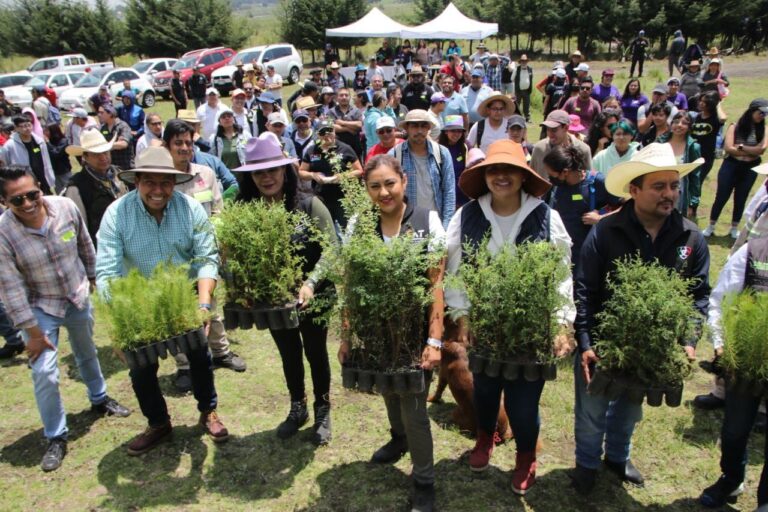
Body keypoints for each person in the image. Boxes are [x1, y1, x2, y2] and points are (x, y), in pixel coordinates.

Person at [572, 142, 710, 495]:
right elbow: (585, 288)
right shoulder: (606, 231)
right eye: (659, 186)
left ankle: (617, 457)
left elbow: (698, 297)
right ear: (634, 190)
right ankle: (586, 464)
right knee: (592, 409)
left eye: (674, 186)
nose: (669, 195)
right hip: (603, 341)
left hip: (651, 346)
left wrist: (689, 341)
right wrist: (586, 342)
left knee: (630, 408)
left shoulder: (690, 237)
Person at [444, 139, 573, 494]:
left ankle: (526, 456)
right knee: (484, 391)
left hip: (531, 324)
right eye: (493, 170)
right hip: (484, 323)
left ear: (523, 175)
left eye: (509, 170)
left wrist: (563, 323)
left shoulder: (546, 216)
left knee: (522, 400)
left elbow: (562, 274)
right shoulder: (466, 215)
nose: (501, 176)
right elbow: (455, 271)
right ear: (484, 176)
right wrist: (463, 317)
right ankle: (486, 437)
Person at [96, 147, 228, 455]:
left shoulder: (190, 209)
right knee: (141, 369)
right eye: (150, 182)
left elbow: (207, 258)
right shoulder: (117, 214)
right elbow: (107, 274)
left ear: (174, 182)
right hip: (138, 306)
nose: (158, 191)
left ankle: (208, 410)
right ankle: (158, 423)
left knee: (200, 357)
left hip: (184, 300)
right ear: (137, 181)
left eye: (165, 183)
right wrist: (118, 326)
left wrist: (204, 304)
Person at [0, 166, 130, 471]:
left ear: (41, 187)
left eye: (32, 194)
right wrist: (32, 332)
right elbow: (10, 287)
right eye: (18, 200)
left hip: (77, 295)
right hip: (39, 308)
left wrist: (95, 280)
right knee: (44, 372)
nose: (28, 203)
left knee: (86, 352)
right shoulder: (4, 233)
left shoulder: (65, 207)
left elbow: (85, 245)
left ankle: (99, 399)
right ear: (5, 202)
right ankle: (56, 435)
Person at [338, 153, 445, 512]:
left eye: (390, 183)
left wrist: (434, 340)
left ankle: (425, 480)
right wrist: (346, 334)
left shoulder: (427, 221)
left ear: (403, 181)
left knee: (415, 409)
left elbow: (436, 285)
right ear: (366, 189)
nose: (384, 192)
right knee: (387, 388)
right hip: (378, 332)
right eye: (375, 186)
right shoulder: (359, 224)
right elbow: (350, 284)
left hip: (415, 333)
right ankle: (398, 440)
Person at [232, 137, 336, 445]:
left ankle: (323, 407)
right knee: (289, 352)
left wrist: (311, 283)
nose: (266, 178)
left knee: (316, 351)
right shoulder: (247, 210)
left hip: (315, 294)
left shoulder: (308, 203)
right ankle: (298, 407)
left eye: (273, 170)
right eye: (258, 173)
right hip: (275, 300)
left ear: (285, 170)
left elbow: (331, 249)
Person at [163, 120, 245, 384]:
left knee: (212, 305)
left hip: (205, 253)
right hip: (173, 256)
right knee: (179, 310)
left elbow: (218, 211)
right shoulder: (161, 179)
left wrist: (219, 244)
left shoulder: (205, 174)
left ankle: (220, 352)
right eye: (178, 143)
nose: (185, 148)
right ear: (167, 146)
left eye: (188, 142)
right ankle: (185, 366)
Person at [698, 228, 768, 509]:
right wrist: (721, 343)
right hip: (747, 361)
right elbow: (720, 300)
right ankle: (731, 478)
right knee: (735, 430)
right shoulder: (754, 252)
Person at [544, 145, 621, 270]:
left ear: (565, 172)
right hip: (559, 256)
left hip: (588, 257)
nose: (550, 178)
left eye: (552, 174)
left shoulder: (597, 182)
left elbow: (628, 206)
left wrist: (601, 218)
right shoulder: (555, 186)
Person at [704, 99, 768, 238]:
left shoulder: (764, 129)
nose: (762, 116)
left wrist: (741, 147)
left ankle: (734, 228)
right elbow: (729, 148)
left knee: (741, 197)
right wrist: (751, 151)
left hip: (750, 168)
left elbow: (761, 149)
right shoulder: (735, 126)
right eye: (760, 112)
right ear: (752, 110)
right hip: (731, 165)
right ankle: (711, 225)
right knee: (721, 196)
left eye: (765, 114)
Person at [389, 110, 456, 229]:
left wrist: (446, 227)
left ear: (429, 128)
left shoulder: (441, 153)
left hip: (436, 223)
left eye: (423, 126)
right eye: (414, 126)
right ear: (407, 128)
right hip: (406, 225)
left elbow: (449, 192)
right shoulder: (395, 155)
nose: (419, 131)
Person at [63, 130, 128, 246]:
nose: (103, 158)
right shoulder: (77, 187)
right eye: (96, 154)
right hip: (102, 246)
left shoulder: (120, 174)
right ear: (85, 157)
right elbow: (79, 226)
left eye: (106, 152)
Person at [298, 120, 363, 228]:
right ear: (318, 135)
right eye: (323, 132)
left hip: (343, 198)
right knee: (325, 230)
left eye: (329, 131)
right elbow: (301, 172)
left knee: (347, 230)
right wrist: (313, 175)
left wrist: (341, 177)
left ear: (334, 131)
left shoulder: (345, 148)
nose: (327, 135)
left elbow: (359, 170)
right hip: (321, 198)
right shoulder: (312, 151)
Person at [656, 112, 703, 216]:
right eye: (676, 122)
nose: (679, 125)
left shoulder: (693, 147)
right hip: (658, 190)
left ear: (689, 127)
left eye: (684, 123)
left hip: (678, 194)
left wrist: (693, 203)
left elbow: (695, 176)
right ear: (671, 124)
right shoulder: (660, 143)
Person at [530, 110, 592, 181]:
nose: (550, 134)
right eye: (548, 130)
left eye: (554, 130)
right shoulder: (539, 149)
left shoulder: (583, 149)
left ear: (566, 128)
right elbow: (532, 177)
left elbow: (588, 180)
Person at [0, 115, 55, 194]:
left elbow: (47, 162)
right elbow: (5, 165)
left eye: (29, 125)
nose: (27, 128)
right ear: (16, 128)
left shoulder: (39, 141)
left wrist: (50, 177)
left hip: (42, 180)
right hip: (23, 183)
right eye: (23, 126)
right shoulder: (9, 146)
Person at [689, 91, 722, 216]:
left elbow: (723, 118)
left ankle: (693, 208)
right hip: (692, 154)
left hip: (706, 156)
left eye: (705, 102)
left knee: (697, 182)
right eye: (700, 101)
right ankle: (686, 204)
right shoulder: (696, 117)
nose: (701, 104)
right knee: (689, 180)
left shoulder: (715, 120)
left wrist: (719, 104)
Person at [437, 115, 469, 208]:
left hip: (462, 193)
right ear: (446, 131)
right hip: (444, 193)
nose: (456, 134)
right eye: (453, 130)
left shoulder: (465, 147)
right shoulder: (437, 148)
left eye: (459, 131)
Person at [327, 88, 363, 160]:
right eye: (341, 95)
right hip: (338, 148)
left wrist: (342, 123)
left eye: (346, 95)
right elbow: (331, 127)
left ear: (349, 97)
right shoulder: (331, 112)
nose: (344, 97)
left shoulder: (356, 111)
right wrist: (349, 129)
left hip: (355, 147)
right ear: (337, 98)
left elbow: (359, 125)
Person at [97, 104, 133, 171]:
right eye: (98, 112)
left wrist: (105, 145)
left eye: (102, 112)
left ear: (110, 114)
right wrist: (115, 144)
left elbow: (123, 144)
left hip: (125, 167)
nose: (99, 115)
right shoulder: (102, 128)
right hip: (110, 168)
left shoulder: (123, 126)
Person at [44, 123, 71, 191]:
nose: (44, 133)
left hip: (64, 171)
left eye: (47, 131)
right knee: (59, 192)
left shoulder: (63, 141)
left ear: (53, 131)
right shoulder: (48, 142)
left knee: (69, 190)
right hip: (54, 172)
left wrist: (47, 143)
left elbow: (56, 153)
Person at [513, 55, 533, 121]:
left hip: (527, 90)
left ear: (527, 62)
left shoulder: (530, 69)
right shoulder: (516, 69)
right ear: (520, 62)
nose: (524, 62)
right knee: (517, 104)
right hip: (518, 90)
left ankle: (527, 118)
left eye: (525, 61)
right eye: (522, 61)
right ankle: (516, 117)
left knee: (527, 104)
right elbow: (512, 78)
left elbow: (531, 78)